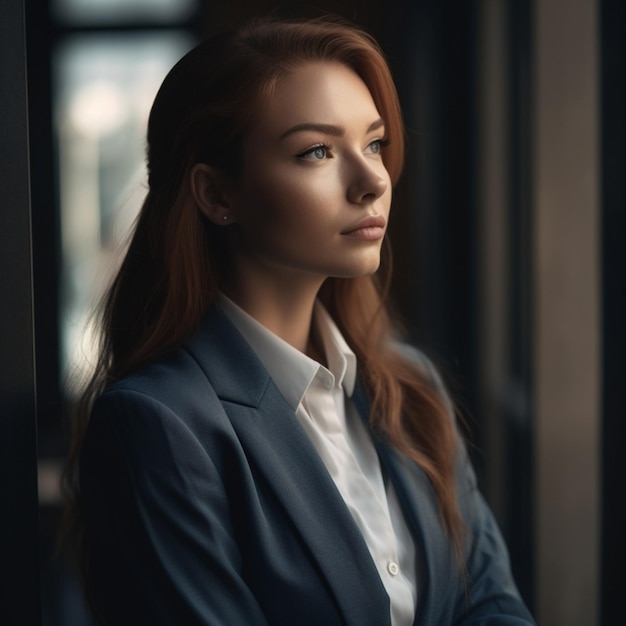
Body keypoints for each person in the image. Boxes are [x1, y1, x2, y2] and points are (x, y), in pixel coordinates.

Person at [63, 16, 535, 626]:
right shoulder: (159, 424)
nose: (373, 182)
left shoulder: (411, 386)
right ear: (217, 195)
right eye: (316, 151)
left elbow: (493, 604)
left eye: (373, 143)